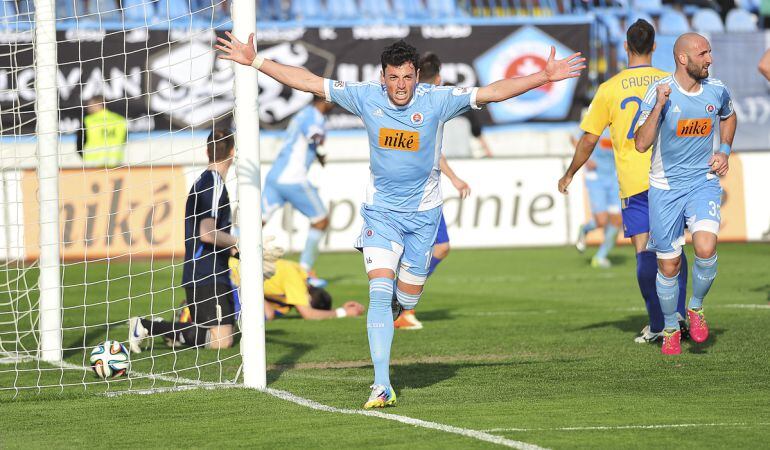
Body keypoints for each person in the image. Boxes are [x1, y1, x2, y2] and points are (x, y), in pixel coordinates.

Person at [217, 32, 584, 408]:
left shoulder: (437, 100)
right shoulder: (366, 97)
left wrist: (543, 77)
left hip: (424, 216)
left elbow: (491, 91)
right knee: (379, 289)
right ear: (383, 76)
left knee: (407, 297)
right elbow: (309, 81)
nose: (400, 86)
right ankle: (381, 384)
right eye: (393, 78)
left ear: (416, 75)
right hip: (381, 214)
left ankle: (399, 306)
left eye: (407, 77)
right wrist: (256, 61)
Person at [558, 19, 689, 344]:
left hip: (635, 182)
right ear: (655, 47)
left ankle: (659, 324)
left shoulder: (610, 88)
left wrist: (571, 172)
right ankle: (681, 317)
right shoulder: (671, 82)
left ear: (626, 48)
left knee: (645, 252)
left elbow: (588, 140)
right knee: (675, 250)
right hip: (671, 179)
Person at [634, 32, 737, 355]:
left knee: (705, 247)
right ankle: (668, 327)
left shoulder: (717, 90)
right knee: (669, 266)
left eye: (710, 52)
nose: (710, 59)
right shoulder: (660, 92)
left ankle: (695, 307)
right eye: (703, 53)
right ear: (683, 58)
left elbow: (729, 116)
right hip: (665, 188)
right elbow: (641, 143)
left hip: (702, 181)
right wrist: (660, 106)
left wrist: (723, 150)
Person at [128, 129, 239, 352]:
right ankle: (148, 326)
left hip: (204, 271)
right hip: (206, 274)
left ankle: (175, 333)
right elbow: (207, 233)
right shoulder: (214, 184)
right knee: (222, 340)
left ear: (207, 151)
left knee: (229, 334)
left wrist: (235, 251)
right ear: (233, 152)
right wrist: (238, 242)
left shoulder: (202, 181)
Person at [393, 52, 472, 331]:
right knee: (435, 247)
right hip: (420, 193)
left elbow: (430, 151)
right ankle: (401, 304)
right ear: (438, 79)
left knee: (423, 249)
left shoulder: (405, 102)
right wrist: (454, 178)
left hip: (400, 189)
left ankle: (400, 302)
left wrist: (453, 178)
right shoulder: (433, 104)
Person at [263, 96, 335, 283]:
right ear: (323, 100)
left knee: (256, 222)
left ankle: (225, 259)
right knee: (321, 220)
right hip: (293, 179)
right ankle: (303, 272)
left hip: (275, 176)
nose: (334, 104)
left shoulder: (302, 113)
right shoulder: (314, 116)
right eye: (332, 100)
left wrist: (316, 154)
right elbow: (313, 134)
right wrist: (321, 145)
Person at [573, 130, 623, 269]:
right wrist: (586, 159)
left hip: (614, 178)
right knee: (601, 220)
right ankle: (585, 229)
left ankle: (600, 257)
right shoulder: (595, 120)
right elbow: (574, 138)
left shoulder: (620, 121)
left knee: (617, 220)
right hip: (596, 178)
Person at [260, 258, 364, 320]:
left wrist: (340, 309)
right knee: (268, 314)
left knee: (270, 311)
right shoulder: (297, 283)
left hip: (247, 278)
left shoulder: (302, 273)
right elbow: (308, 314)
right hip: (244, 282)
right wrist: (343, 312)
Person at [76, 95, 128, 168]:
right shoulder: (120, 120)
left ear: (99, 105)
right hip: (115, 164)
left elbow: (79, 145)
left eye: (91, 105)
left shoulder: (88, 121)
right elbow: (124, 140)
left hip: (93, 166)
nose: (88, 108)